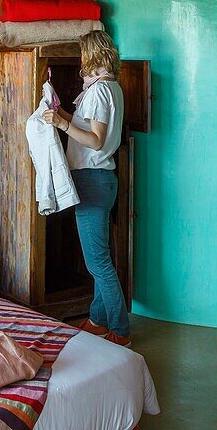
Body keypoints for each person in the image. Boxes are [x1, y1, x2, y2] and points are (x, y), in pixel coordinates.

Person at [41, 30, 130, 347]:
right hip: (96, 179)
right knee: (98, 258)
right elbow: (87, 128)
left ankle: (120, 330)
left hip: (93, 180)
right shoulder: (108, 88)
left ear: (92, 55)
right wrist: (61, 113)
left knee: (98, 263)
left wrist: (62, 124)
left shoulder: (100, 92)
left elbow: (95, 140)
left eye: (82, 54)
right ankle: (97, 319)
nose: (80, 60)